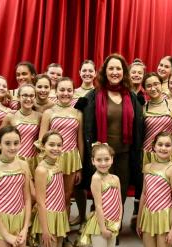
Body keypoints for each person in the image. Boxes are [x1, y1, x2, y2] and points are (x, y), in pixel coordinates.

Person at [75, 53, 143, 214]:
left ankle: (115, 228)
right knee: (102, 193)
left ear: (123, 72)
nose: (114, 72)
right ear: (104, 72)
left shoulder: (132, 97)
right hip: (102, 156)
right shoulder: (93, 96)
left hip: (125, 154)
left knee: (121, 192)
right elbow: (85, 124)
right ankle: (101, 228)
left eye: (118, 68)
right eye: (111, 68)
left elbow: (139, 126)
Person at [62, 142, 122, 247]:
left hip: (113, 223)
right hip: (101, 224)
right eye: (99, 160)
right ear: (93, 161)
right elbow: (98, 206)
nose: (103, 163)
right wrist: (103, 228)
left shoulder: (116, 178)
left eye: (106, 159)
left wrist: (119, 221)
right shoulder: (96, 178)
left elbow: (119, 203)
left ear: (112, 159)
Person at [38, 77, 83, 216]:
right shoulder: (48, 113)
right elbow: (41, 140)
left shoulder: (78, 114)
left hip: (71, 159)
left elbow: (79, 141)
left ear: (73, 93)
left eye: (69, 90)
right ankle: (48, 227)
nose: (65, 93)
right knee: (49, 194)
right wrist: (43, 163)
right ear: (56, 92)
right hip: (51, 158)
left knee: (67, 195)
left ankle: (64, 230)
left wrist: (80, 168)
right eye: (62, 90)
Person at [25, 130, 69, 247]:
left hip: (59, 214)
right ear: (43, 146)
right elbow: (40, 202)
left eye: (59, 145)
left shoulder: (58, 164)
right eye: (51, 145)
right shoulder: (41, 170)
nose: (56, 148)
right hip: (47, 216)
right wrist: (45, 230)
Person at [136, 132, 172, 247]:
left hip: (164, 216)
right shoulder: (148, 167)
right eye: (160, 144)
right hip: (149, 215)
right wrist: (140, 220)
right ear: (154, 146)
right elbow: (144, 194)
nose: (163, 148)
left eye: (168, 145)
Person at [71, 60, 96, 226]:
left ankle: (94, 217)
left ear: (95, 73)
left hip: (94, 139)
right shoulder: (72, 92)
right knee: (78, 183)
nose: (87, 73)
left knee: (94, 179)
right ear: (79, 72)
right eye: (84, 70)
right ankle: (81, 215)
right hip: (75, 139)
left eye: (90, 71)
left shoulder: (98, 92)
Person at [1, 84, 41, 177]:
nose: (28, 99)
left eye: (31, 96)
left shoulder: (40, 116)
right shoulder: (10, 116)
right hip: (14, 159)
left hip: (34, 160)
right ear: (18, 97)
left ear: (35, 98)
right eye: (25, 95)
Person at [142, 72, 172, 167]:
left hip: (168, 152)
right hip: (148, 152)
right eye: (149, 86)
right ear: (145, 89)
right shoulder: (142, 108)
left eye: (156, 84)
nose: (153, 88)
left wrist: (170, 142)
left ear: (161, 84)